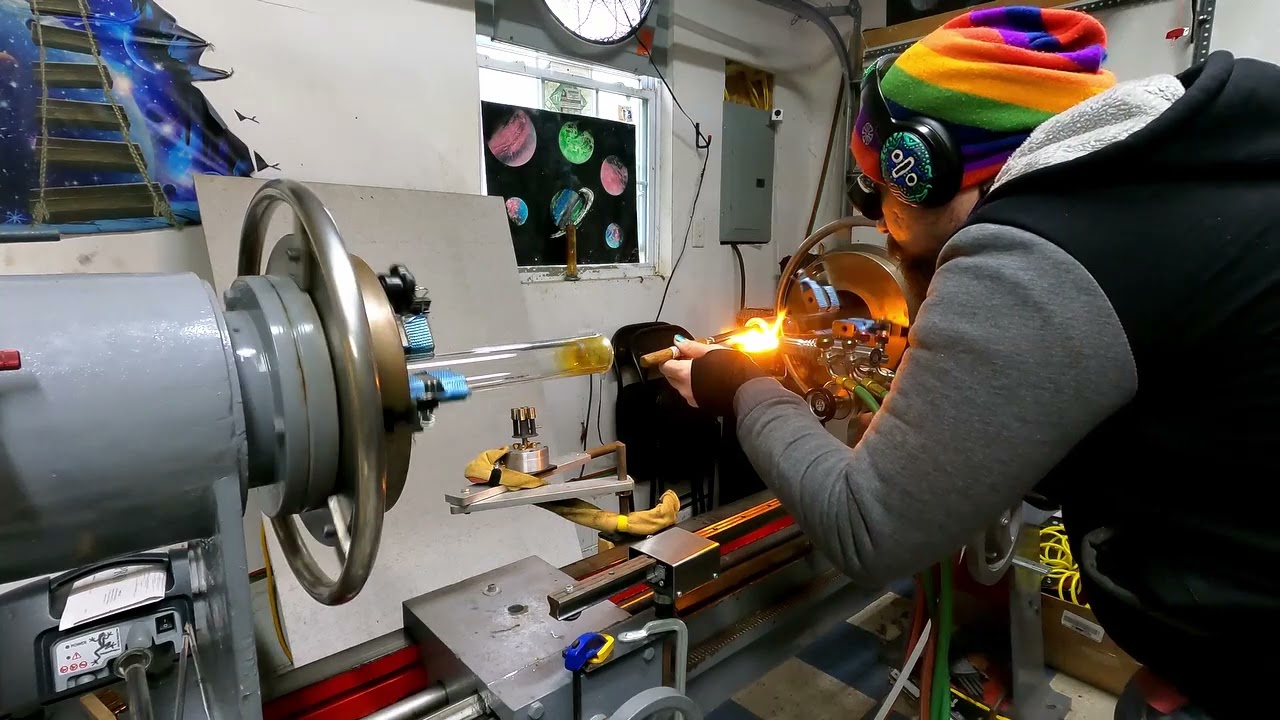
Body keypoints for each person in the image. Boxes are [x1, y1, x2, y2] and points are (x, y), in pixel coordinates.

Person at [660, 7, 1278, 717]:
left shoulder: (1038, 247)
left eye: (883, 192)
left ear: (931, 167)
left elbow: (868, 527)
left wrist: (737, 383)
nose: (881, 224)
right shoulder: (1177, 176)